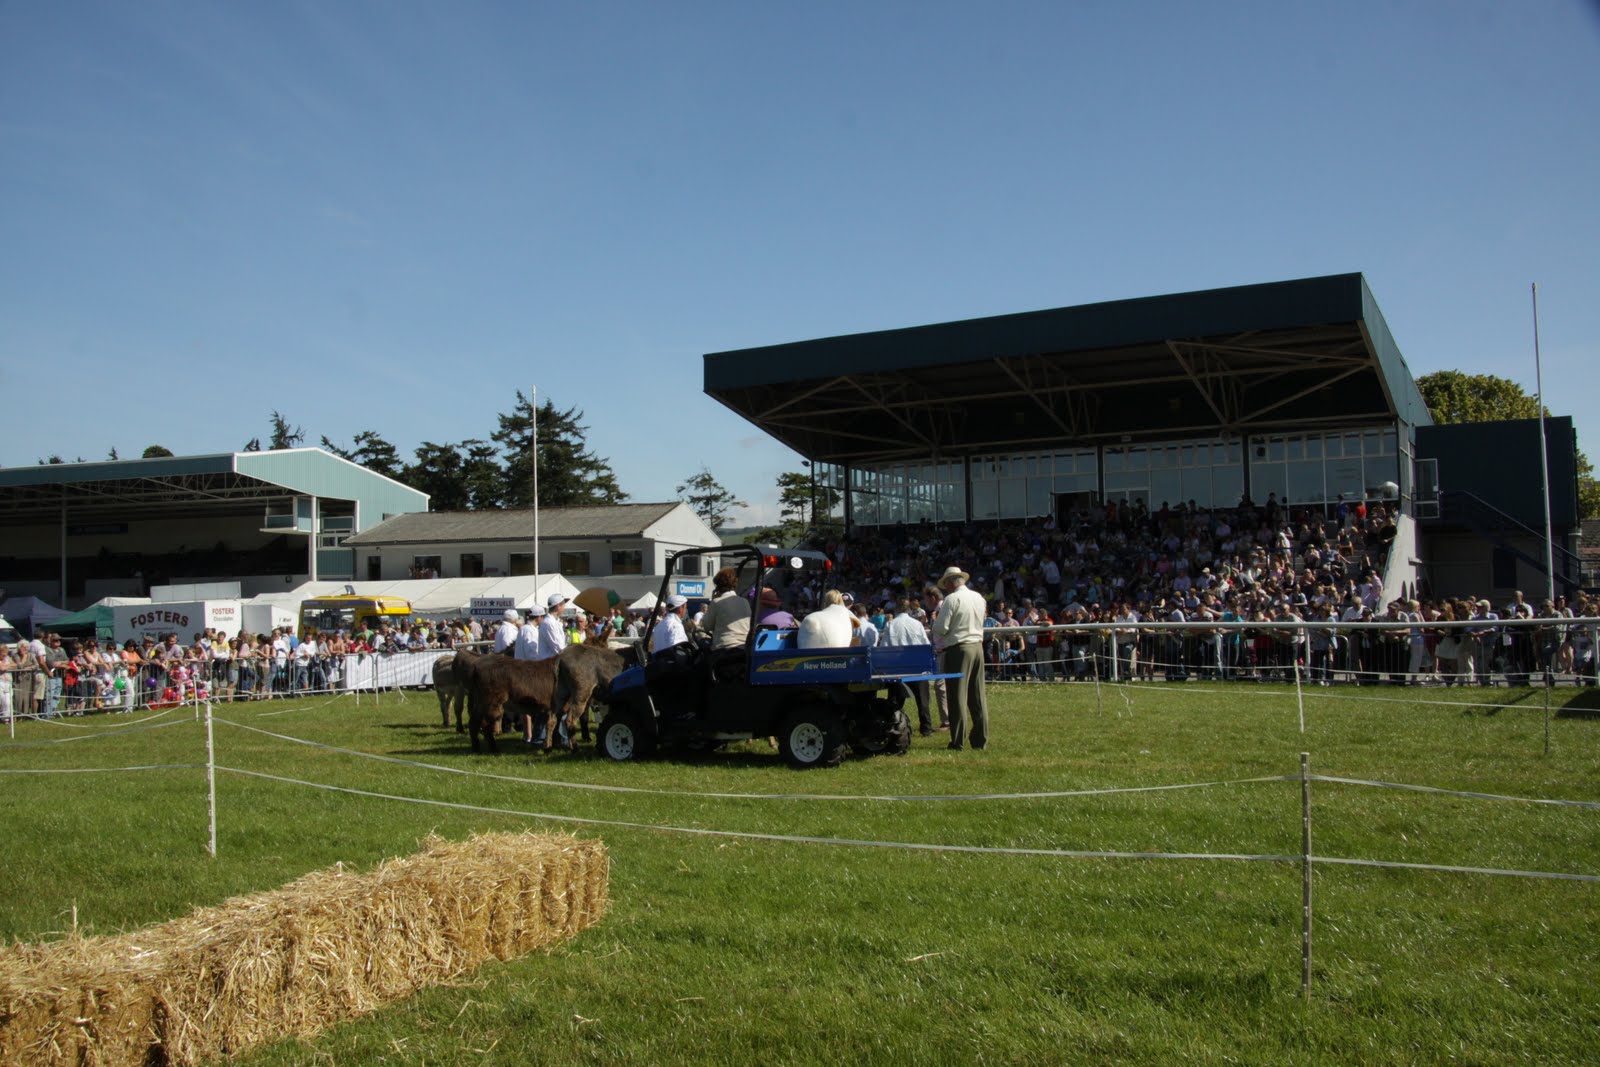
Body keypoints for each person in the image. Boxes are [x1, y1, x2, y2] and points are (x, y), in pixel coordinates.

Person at [932, 566, 989, 751]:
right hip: (977, 646)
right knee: (977, 696)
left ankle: (958, 741)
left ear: (950, 582)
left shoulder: (951, 599)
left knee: (956, 696)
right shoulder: (979, 597)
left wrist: (936, 624)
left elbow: (940, 628)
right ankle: (980, 739)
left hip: (958, 648)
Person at [879, 596, 934, 735]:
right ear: (909, 609)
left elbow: (885, 647)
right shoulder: (917, 624)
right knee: (923, 701)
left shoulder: (891, 625)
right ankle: (926, 728)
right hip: (917, 667)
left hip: (898, 668)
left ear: (896, 609)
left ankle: (893, 725)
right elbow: (925, 645)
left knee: (895, 700)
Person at [698, 567, 752, 651]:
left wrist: (713, 601)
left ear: (718, 587)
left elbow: (707, 626)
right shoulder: (745, 602)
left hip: (723, 648)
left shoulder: (717, 602)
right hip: (744, 648)